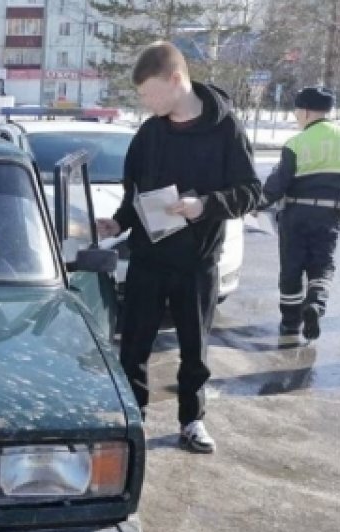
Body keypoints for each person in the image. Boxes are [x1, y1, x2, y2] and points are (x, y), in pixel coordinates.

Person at [96, 42, 261, 454]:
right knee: (133, 345)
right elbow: (134, 192)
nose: (145, 103)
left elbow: (250, 192)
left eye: (149, 93)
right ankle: (134, 417)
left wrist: (205, 206)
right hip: (148, 259)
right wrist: (119, 222)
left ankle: (192, 420)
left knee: (194, 348)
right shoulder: (150, 132)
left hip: (197, 262)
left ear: (175, 80)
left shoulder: (225, 129)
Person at [260, 86, 340, 341]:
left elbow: (278, 184)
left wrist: (256, 204)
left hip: (295, 214)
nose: (296, 116)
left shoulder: (296, 143)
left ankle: (290, 323)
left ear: (307, 112)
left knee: (292, 267)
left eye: (297, 111)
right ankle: (316, 304)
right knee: (322, 263)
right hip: (331, 214)